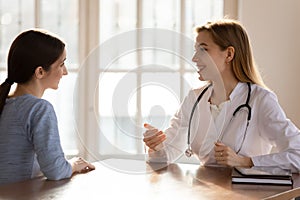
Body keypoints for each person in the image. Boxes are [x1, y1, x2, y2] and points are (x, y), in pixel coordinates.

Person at [143, 19, 300, 172]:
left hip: (249, 195)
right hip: (208, 194)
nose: (194, 58)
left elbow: (297, 155)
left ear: (229, 54)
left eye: (203, 49)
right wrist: (156, 146)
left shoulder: (260, 99)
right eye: (195, 50)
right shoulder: (195, 99)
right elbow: (164, 157)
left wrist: (246, 162)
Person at [0, 29, 95, 185]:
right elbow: (56, 170)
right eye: (61, 64)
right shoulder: (38, 109)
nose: (65, 72)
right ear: (40, 72)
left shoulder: (4, 103)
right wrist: (74, 165)